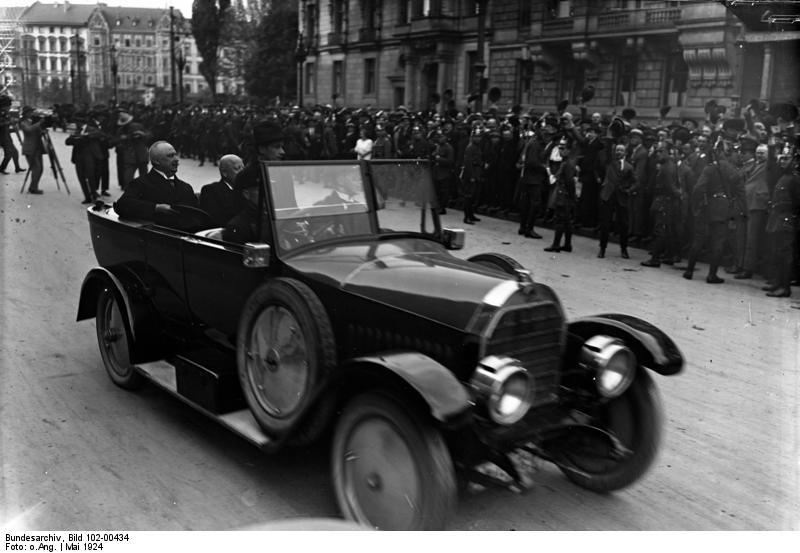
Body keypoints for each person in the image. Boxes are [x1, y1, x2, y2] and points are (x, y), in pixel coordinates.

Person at [223, 121, 285, 244]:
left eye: (282, 147)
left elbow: (289, 206)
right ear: (262, 149)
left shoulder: (283, 173)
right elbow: (239, 213)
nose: (283, 152)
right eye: (277, 147)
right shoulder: (246, 176)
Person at [114, 141, 198, 221]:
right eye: (170, 156)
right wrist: (155, 208)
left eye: (175, 155)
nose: (176, 159)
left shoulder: (186, 187)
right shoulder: (140, 183)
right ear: (156, 161)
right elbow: (122, 205)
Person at [762, 145, 800, 298]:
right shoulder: (783, 177)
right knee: (777, 253)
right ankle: (778, 282)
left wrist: (793, 219)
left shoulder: (795, 179)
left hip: (787, 220)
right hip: (777, 219)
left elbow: (798, 203)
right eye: (781, 158)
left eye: (786, 158)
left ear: (794, 161)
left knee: (785, 256)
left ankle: (785, 287)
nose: (782, 161)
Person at [598, 143, 637, 258]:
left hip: (621, 197)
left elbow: (635, 181)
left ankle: (624, 249)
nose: (618, 152)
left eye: (621, 150)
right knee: (605, 224)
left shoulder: (629, 166)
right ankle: (602, 249)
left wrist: (628, 190)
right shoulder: (610, 162)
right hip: (608, 195)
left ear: (626, 153)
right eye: (617, 150)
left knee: (623, 224)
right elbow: (608, 151)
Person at [199, 154, 245, 227]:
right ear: (224, 173)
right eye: (237, 169)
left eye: (243, 168)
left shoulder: (246, 190)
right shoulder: (211, 190)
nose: (242, 172)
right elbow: (214, 220)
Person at [111, 112, 150, 190]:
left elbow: (150, 135)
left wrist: (142, 134)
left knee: (144, 177)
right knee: (128, 178)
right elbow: (114, 141)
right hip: (129, 157)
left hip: (141, 155)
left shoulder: (139, 126)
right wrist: (122, 140)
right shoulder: (121, 130)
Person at [19, 106, 45, 194]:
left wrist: (42, 129)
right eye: (30, 112)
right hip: (29, 148)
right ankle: (33, 188)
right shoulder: (23, 122)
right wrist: (39, 123)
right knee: (36, 168)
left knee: (40, 169)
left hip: (37, 147)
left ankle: (33, 186)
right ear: (26, 113)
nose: (32, 113)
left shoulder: (32, 121)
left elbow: (38, 131)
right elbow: (29, 130)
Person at [0, 97, 24, 174]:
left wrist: (12, 126)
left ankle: (17, 168)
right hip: (2, 137)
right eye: (8, 105)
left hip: (6, 135)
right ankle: (2, 168)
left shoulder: (6, 113)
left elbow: (7, 125)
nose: (9, 106)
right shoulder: (2, 112)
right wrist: (9, 122)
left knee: (15, 152)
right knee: (9, 153)